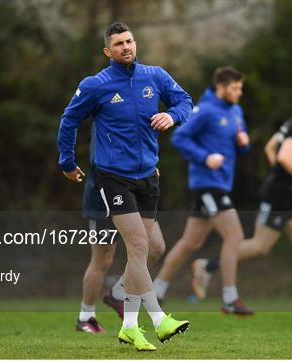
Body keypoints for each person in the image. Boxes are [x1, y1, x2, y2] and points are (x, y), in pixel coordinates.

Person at [58, 22, 192, 351]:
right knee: (126, 251)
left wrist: (173, 116)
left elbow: (185, 101)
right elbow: (69, 120)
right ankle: (155, 319)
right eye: (118, 44)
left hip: (147, 175)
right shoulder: (96, 85)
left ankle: (129, 325)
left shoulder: (155, 76)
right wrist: (67, 162)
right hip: (112, 179)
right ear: (108, 51)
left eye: (129, 41)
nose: (126, 47)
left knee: (146, 249)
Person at [190, 88, 292, 314]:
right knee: (259, 245)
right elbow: (285, 156)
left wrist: (283, 173)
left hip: (290, 195)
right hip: (278, 195)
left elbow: (271, 148)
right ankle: (208, 266)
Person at [153, 67, 253, 316]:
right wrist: (205, 157)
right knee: (235, 236)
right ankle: (230, 299)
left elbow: (236, 146)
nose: (239, 92)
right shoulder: (206, 110)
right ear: (221, 87)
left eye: (240, 88)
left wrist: (243, 144)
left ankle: (156, 291)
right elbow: (180, 138)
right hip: (208, 183)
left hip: (221, 182)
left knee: (191, 241)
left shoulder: (236, 111)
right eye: (234, 88)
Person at [76, 124, 167, 333]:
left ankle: (118, 293)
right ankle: (86, 316)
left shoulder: (137, 109)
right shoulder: (106, 118)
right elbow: (101, 160)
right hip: (104, 196)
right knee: (103, 259)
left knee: (155, 247)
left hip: (135, 193)